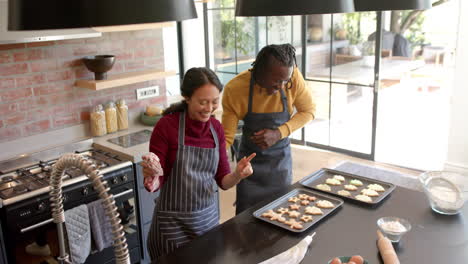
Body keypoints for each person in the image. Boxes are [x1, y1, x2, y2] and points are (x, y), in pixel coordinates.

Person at [141, 67, 255, 261]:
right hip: (171, 227)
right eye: (203, 102)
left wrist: (238, 174)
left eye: (214, 102)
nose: (209, 108)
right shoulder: (167, 126)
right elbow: (157, 179)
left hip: (207, 225)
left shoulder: (216, 129)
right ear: (187, 97)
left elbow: (223, 181)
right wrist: (152, 174)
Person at [222, 44, 316, 214]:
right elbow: (226, 137)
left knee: (282, 214)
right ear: (259, 71)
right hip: (249, 169)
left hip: (280, 166)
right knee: (247, 221)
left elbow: (308, 111)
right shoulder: (235, 89)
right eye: (276, 81)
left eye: (285, 81)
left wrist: (279, 133)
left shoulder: (292, 77)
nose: (281, 86)